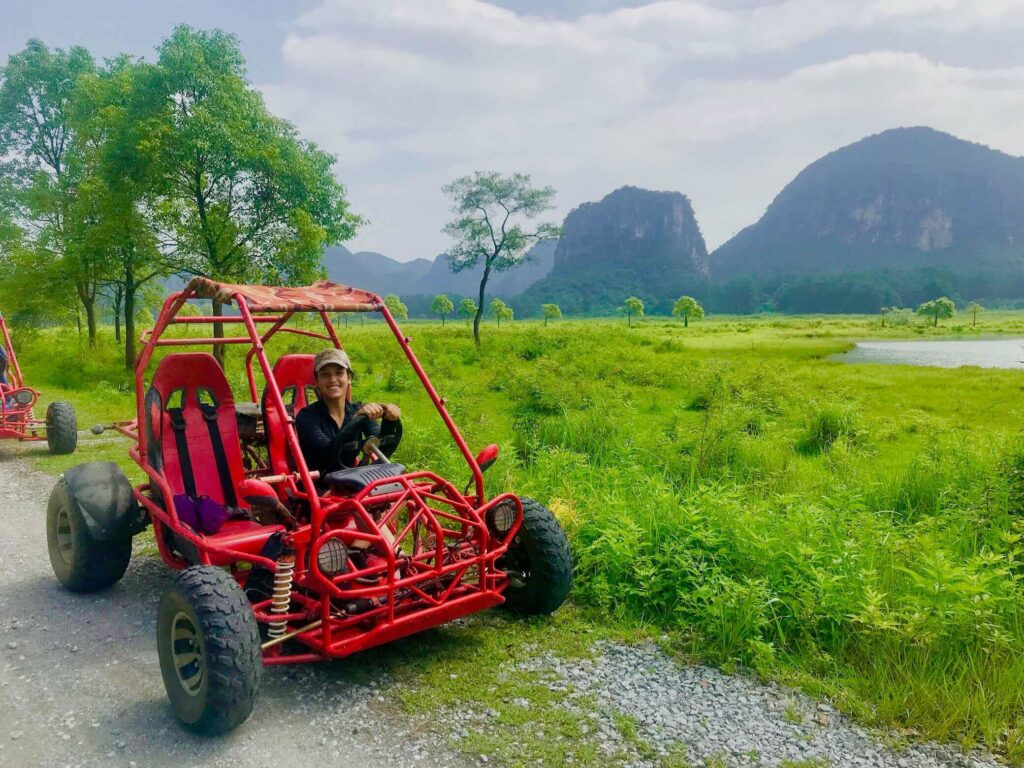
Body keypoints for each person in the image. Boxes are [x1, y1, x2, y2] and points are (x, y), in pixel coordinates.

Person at [295, 348, 402, 477]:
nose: (332, 379)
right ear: (316, 381)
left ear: (349, 377)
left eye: (339, 373)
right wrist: (354, 422)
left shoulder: (357, 410)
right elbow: (326, 455)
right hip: (319, 487)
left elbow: (378, 442)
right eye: (325, 375)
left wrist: (389, 421)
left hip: (353, 481)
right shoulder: (306, 417)